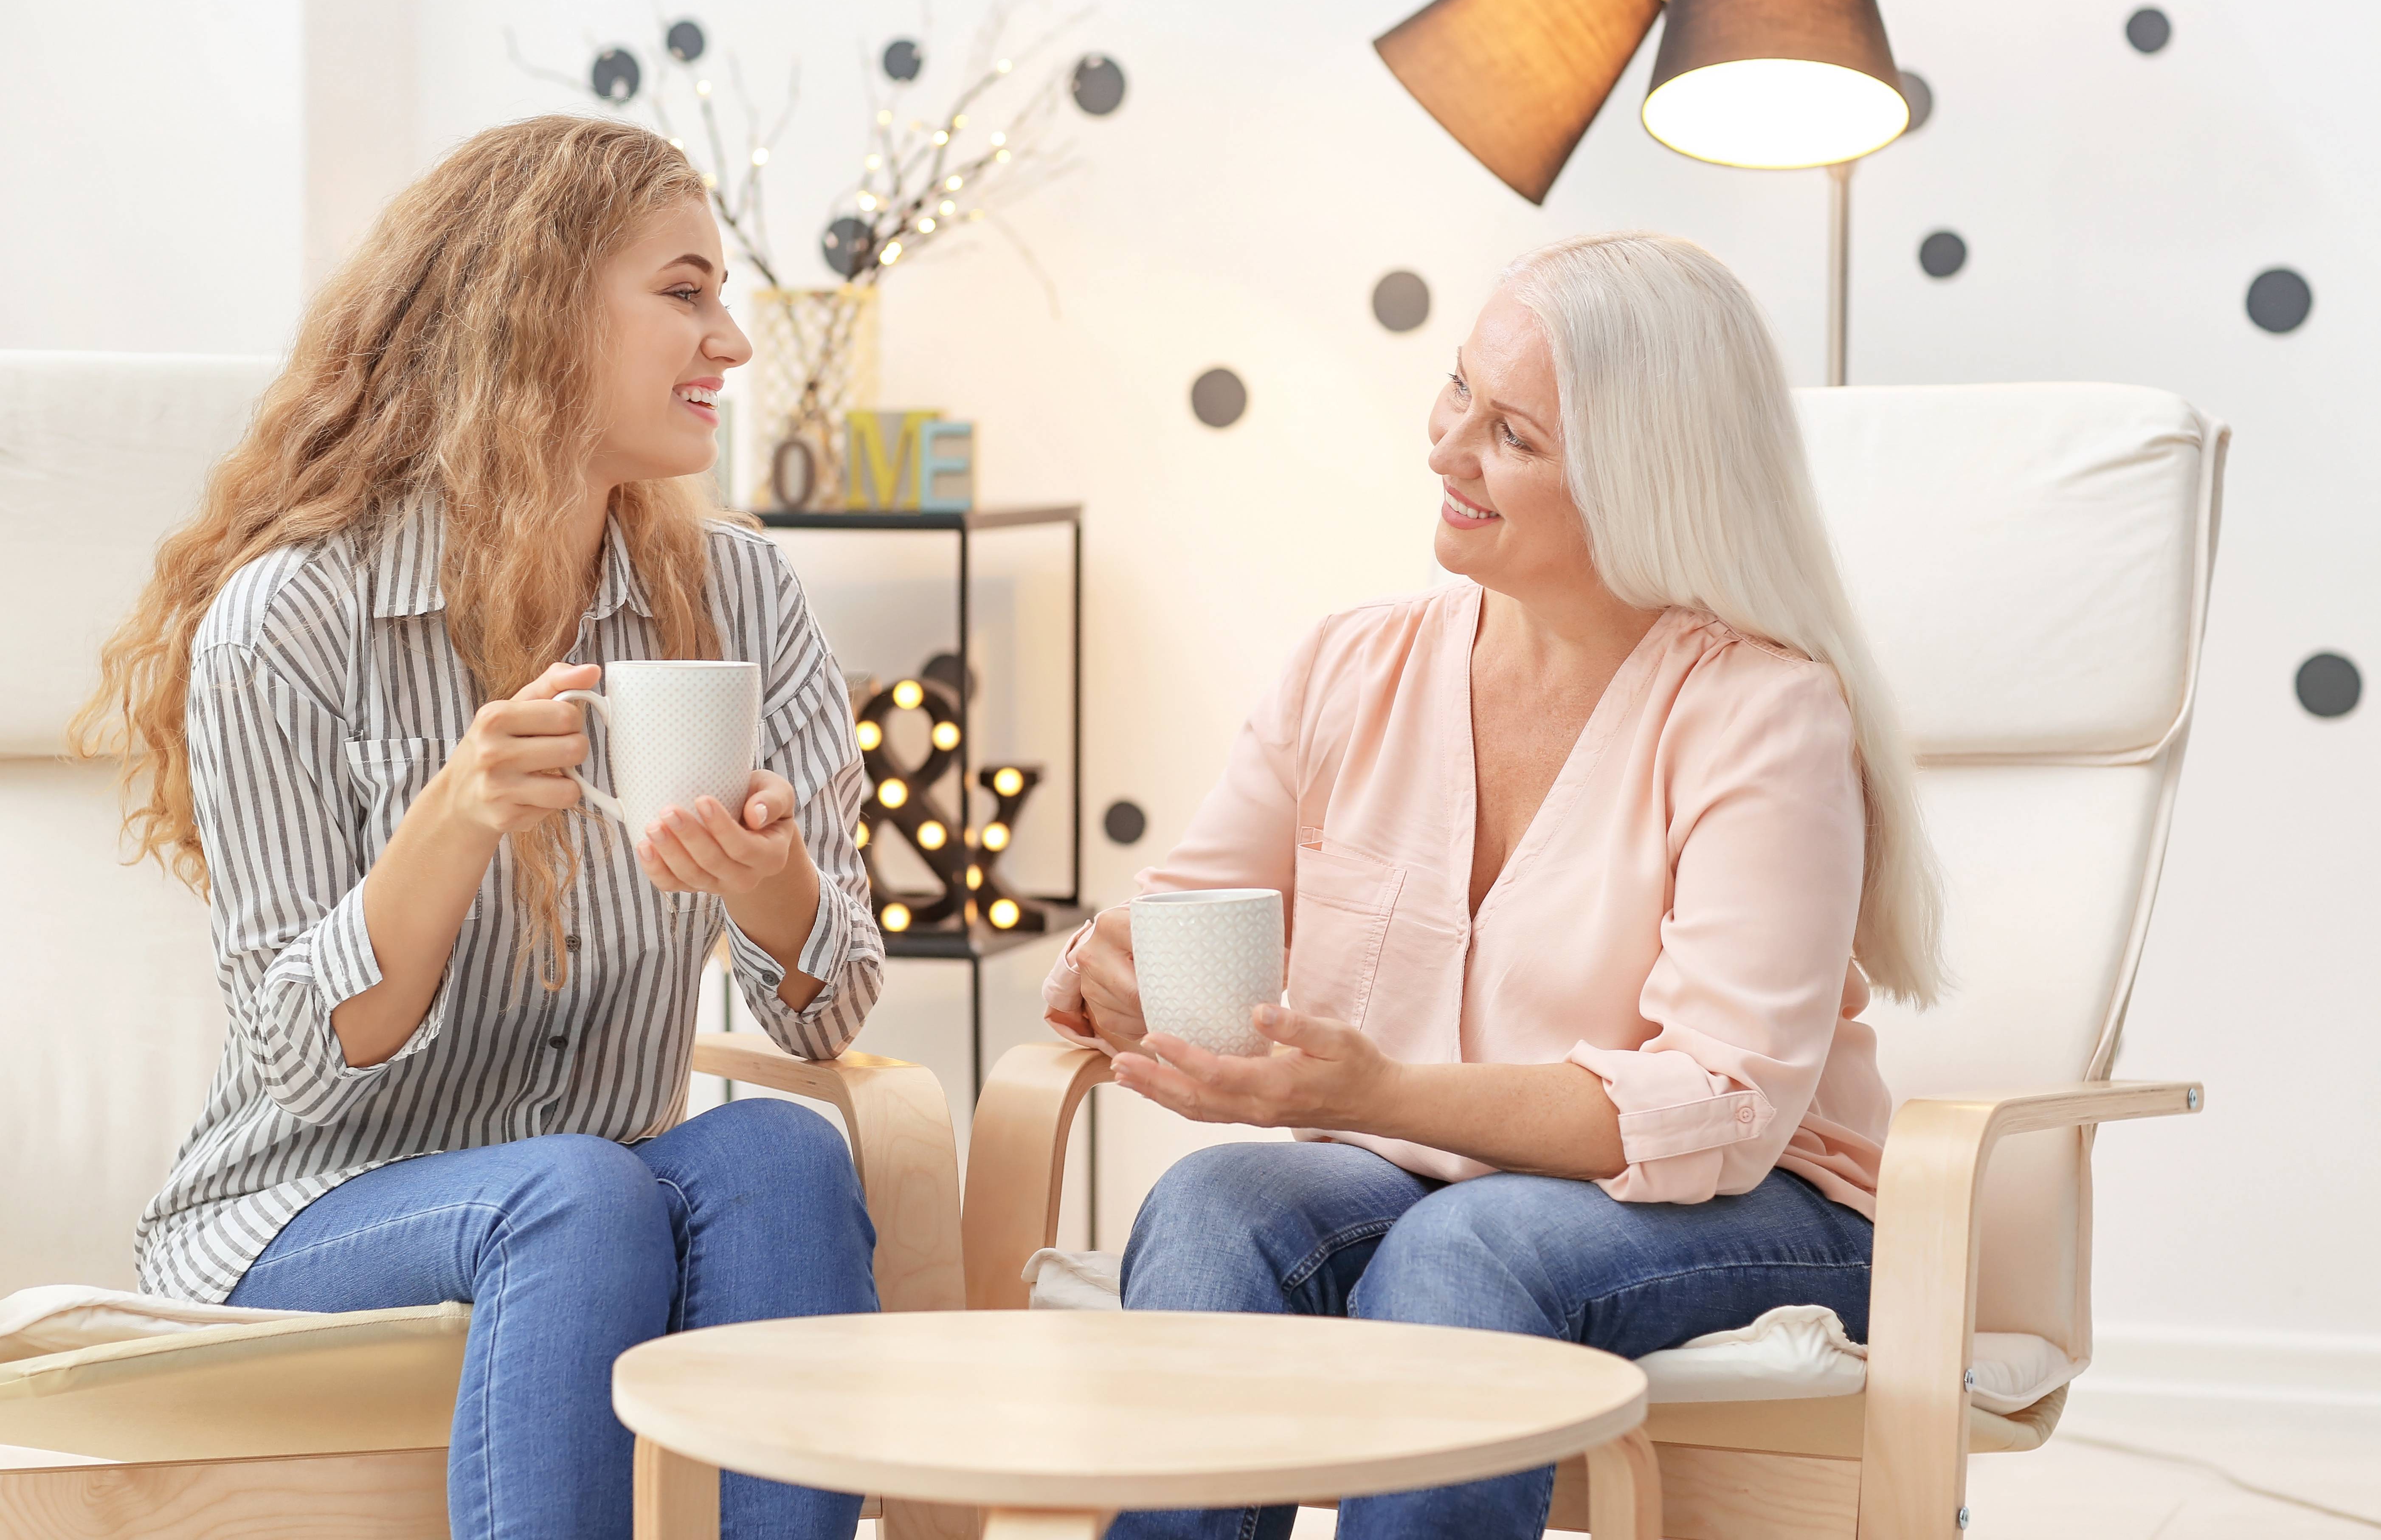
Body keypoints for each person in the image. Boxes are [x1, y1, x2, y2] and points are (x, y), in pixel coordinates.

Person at [1044, 232, 1944, 1540]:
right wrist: (1115, 969)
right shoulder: (1352, 669)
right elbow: (1187, 920)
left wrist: (1377, 1093)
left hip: (1753, 1210)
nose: (1448, 448)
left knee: (1464, 1252)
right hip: (1423, 1174)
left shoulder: (1764, 712)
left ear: (1644, 481)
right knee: (1214, 1205)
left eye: (1512, 433)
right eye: (1458, 390)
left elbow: (1721, 1107)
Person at [77, 116, 882, 1540]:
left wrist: (773, 891)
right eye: (686, 292)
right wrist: (452, 822)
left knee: (781, 1155)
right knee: (578, 1193)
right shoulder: (298, 617)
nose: (735, 343)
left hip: (596, 1173)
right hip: (312, 1204)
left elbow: (826, 1019)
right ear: (537, 312)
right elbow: (296, 1071)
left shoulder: (746, 597)